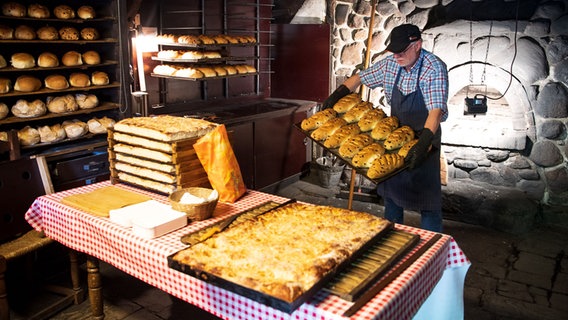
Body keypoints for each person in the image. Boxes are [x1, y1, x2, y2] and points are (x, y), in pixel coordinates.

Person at [322, 24, 449, 232]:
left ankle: (434, 246)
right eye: (394, 51)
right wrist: (338, 94)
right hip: (393, 136)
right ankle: (392, 236)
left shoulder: (434, 68)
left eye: (402, 50)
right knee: (393, 196)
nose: (397, 55)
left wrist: (423, 142)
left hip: (426, 135)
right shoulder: (391, 64)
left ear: (417, 45)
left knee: (428, 201)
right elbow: (359, 78)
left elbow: (435, 111)